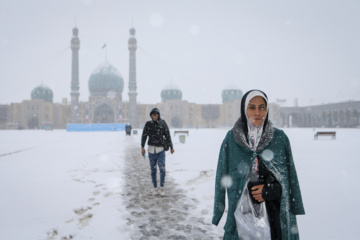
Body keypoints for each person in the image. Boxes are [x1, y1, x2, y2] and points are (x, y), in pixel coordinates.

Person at [212, 90, 305, 240]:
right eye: (252, 107)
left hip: (273, 219)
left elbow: (288, 180)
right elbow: (221, 176)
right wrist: (218, 210)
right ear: (244, 109)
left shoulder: (279, 139)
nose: (257, 112)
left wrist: (269, 191)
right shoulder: (232, 139)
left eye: (262, 107)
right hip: (241, 217)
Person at [141, 108, 174, 196]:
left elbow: (167, 135)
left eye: (157, 114)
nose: (156, 116)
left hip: (161, 150)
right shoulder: (148, 124)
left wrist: (171, 147)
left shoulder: (162, 123)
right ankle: (155, 188)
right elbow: (144, 136)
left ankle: (162, 187)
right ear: (151, 115)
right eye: (154, 115)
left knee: (162, 168)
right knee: (153, 170)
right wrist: (142, 147)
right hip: (151, 150)